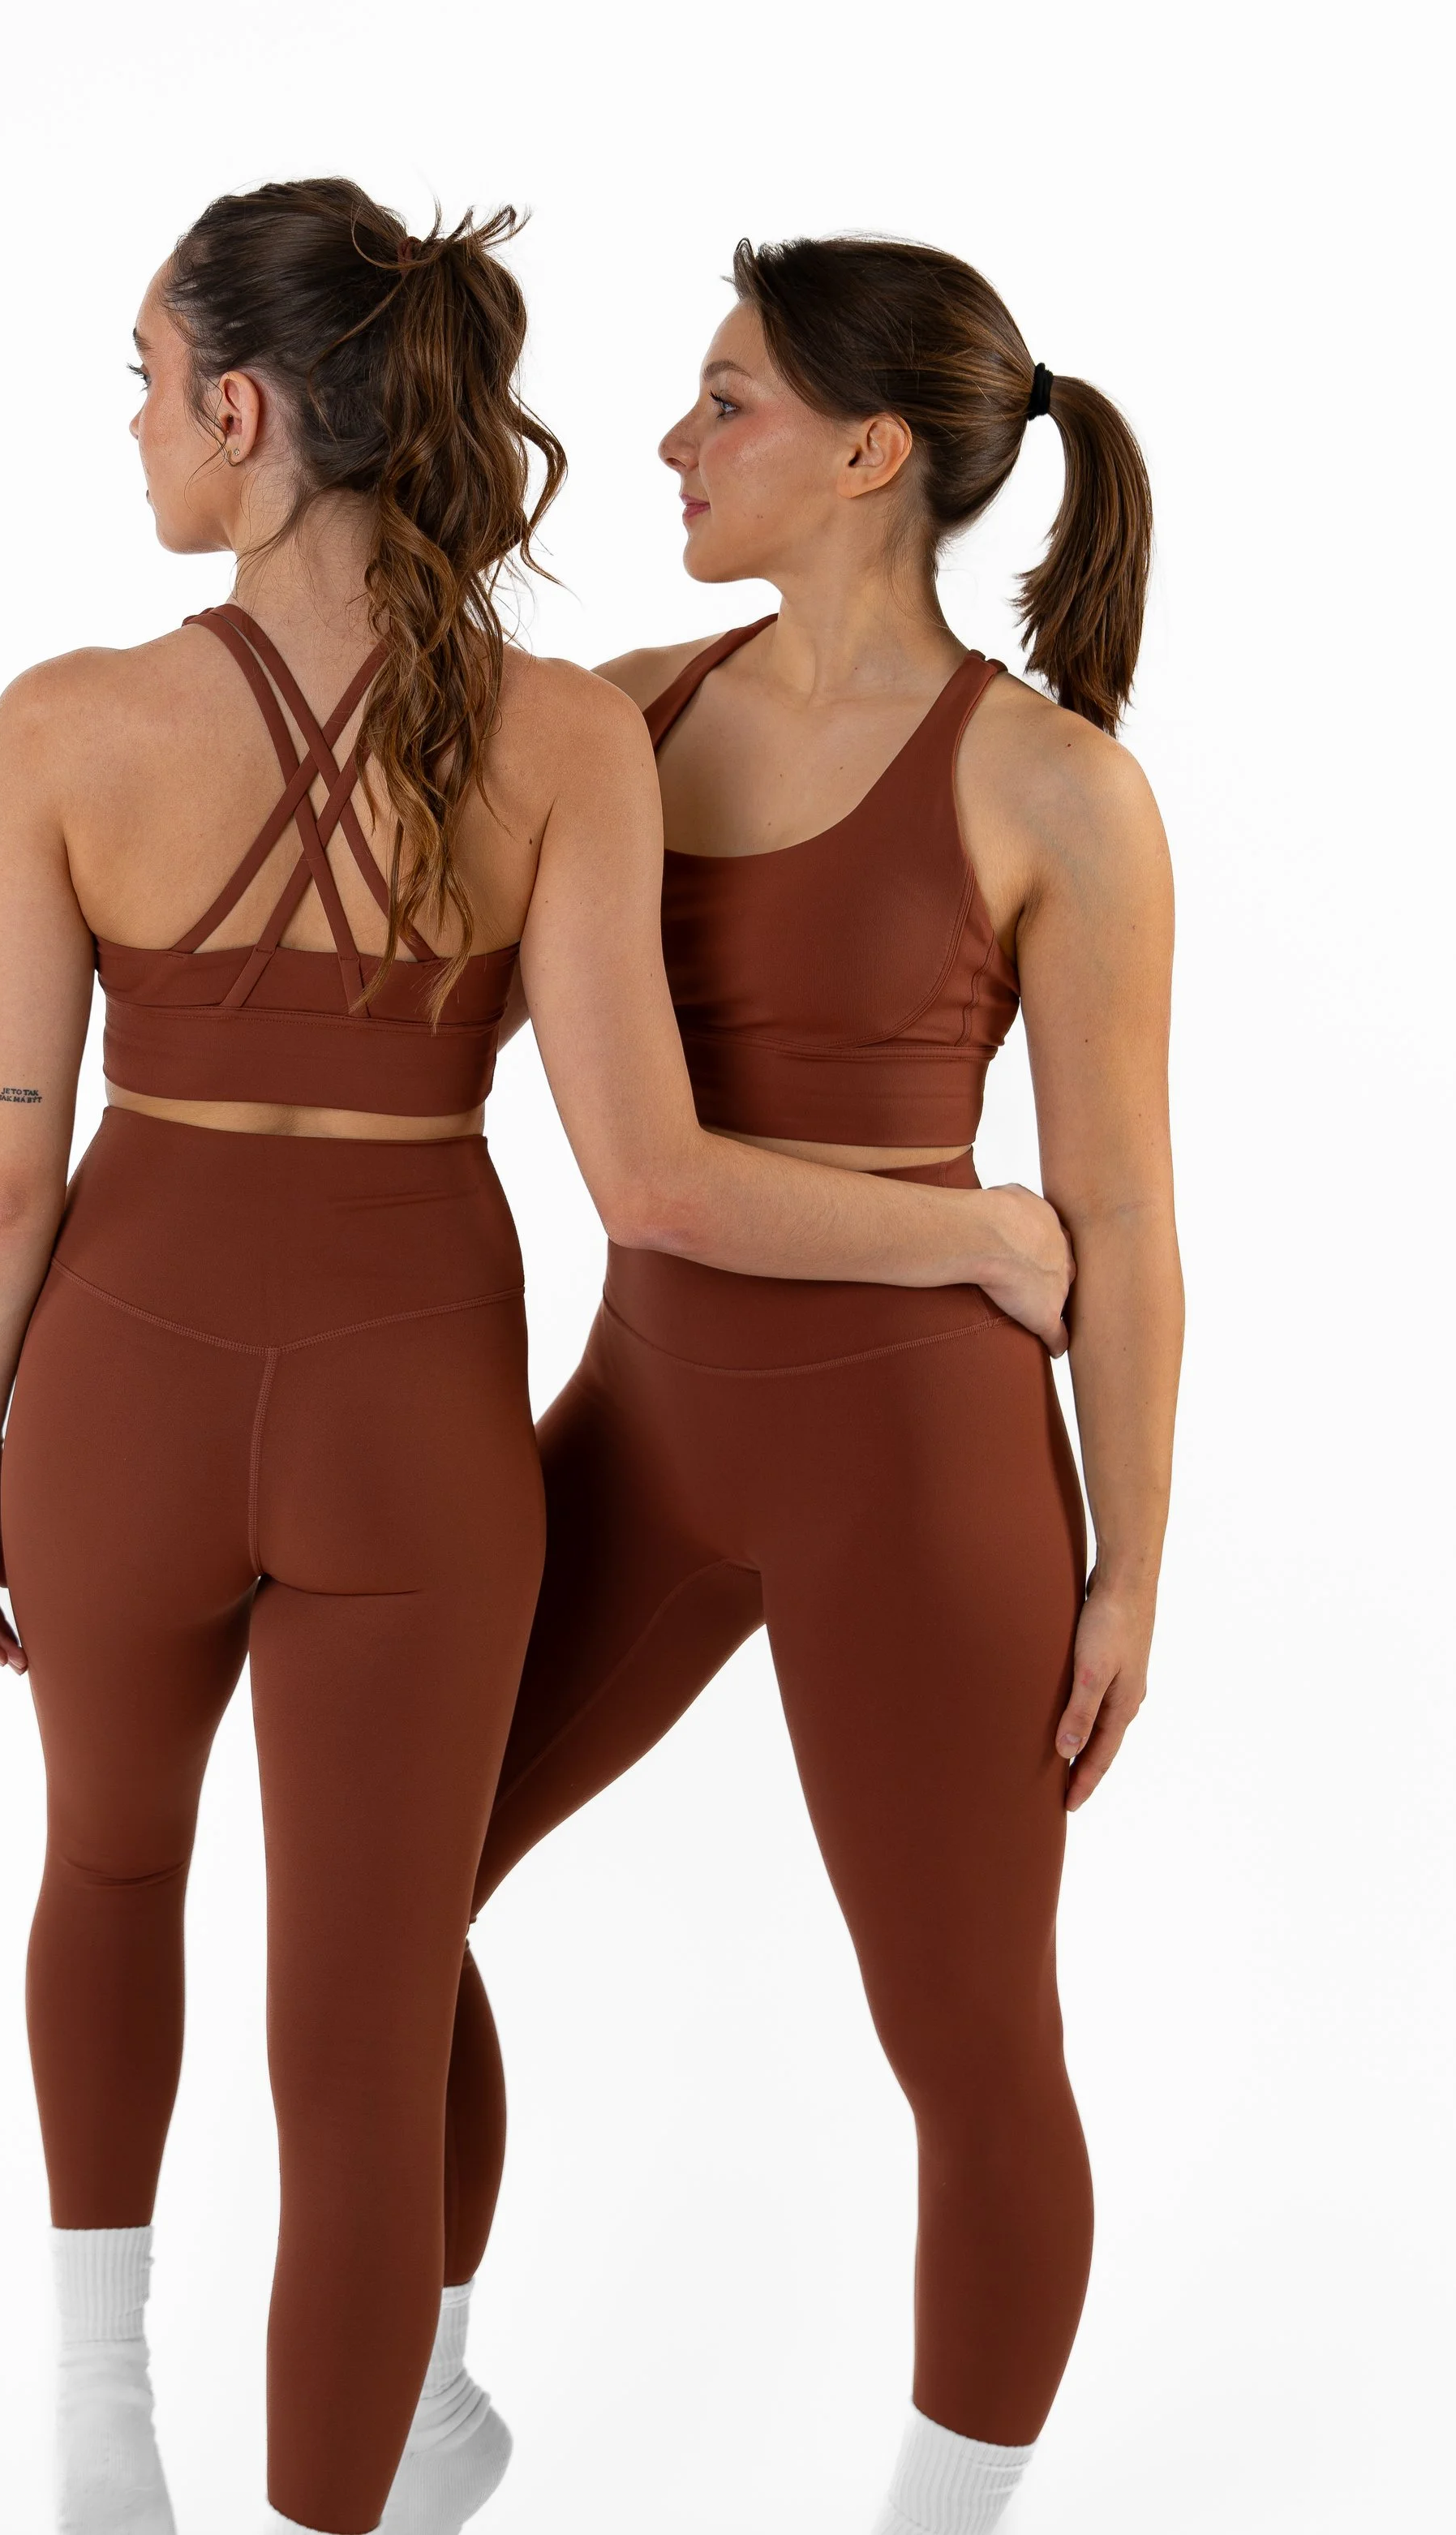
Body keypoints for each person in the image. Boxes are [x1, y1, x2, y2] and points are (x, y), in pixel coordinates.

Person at [0, 185, 1073, 2535]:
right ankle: (348, 2504)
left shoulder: (64, 726)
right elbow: (650, 1171)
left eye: (150, 381)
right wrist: (990, 1230)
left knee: (109, 1877)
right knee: (357, 2027)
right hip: (415, 1426)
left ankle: (93, 2431)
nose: (137, 427)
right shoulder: (567, 735)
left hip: (121, 1392)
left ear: (245, 415)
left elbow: (0, 1167)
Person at [439, 234, 1183, 2535]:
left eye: (724, 397)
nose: (668, 438)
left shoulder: (1050, 789)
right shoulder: (627, 713)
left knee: (967, 2042)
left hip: (920, 1470)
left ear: (870, 454)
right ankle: (421, 2390)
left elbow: (1123, 1228)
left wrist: (1127, 1572)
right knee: (372, 1891)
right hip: (644, 1424)